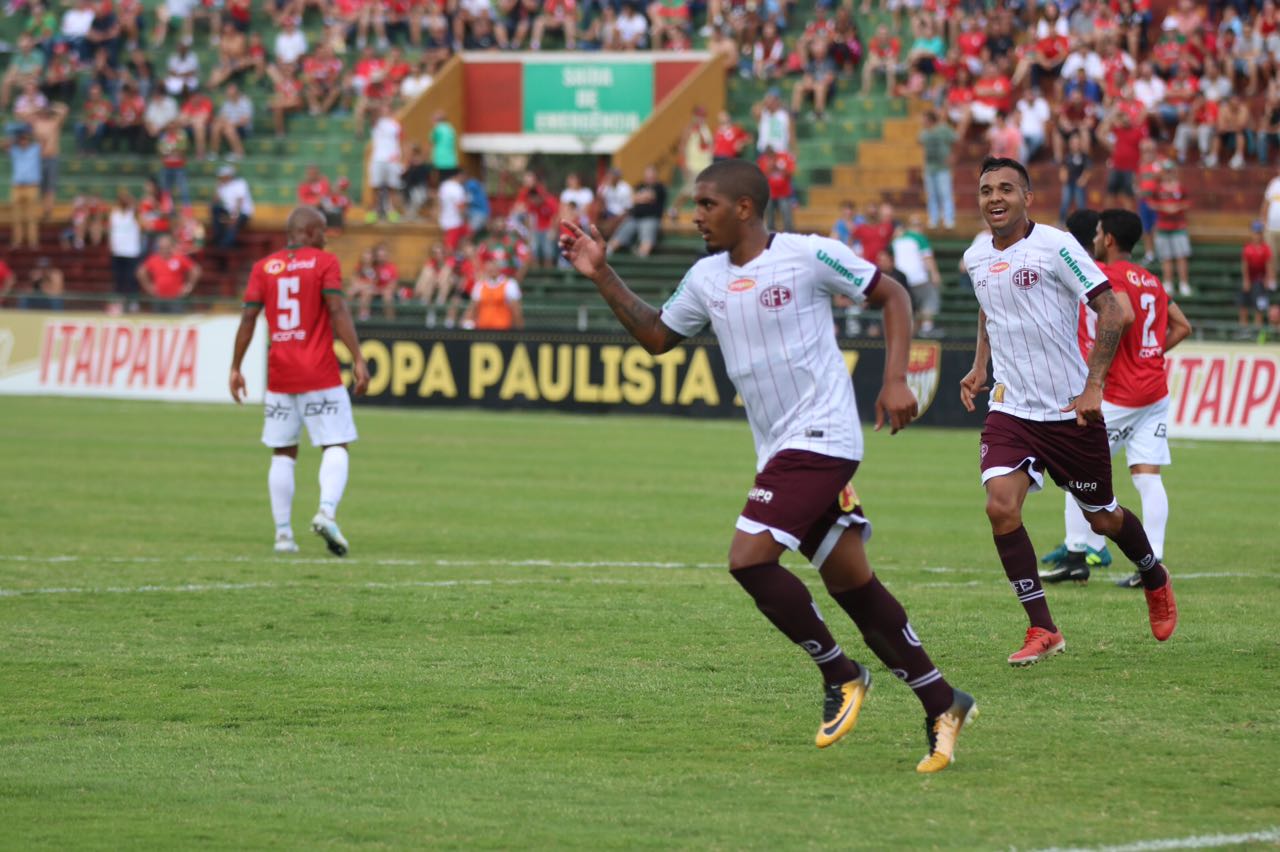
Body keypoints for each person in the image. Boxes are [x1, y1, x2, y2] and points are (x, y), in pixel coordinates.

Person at [559, 159, 978, 774]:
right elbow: (656, 335)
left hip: (825, 435)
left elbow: (891, 294)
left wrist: (895, 379)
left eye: (706, 205)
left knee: (748, 557)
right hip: (778, 447)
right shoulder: (705, 278)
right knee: (851, 583)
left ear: (744, 208)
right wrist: (602, 274)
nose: (695, 216)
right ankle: (943, 701)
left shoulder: (808, 255)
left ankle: (841, 672)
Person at [958, 157, 1179, 668]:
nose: (995, 197)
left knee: (1102, 519)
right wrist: (978, 366)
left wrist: (1093, 386)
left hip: (1068, 412)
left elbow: (1114, 310)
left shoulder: (1057, 245)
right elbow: (989, 309)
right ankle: (1043, 627)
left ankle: (1153, 574)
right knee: (1000, 506)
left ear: (1027, 197)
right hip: (1011, 409)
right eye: (987, 188)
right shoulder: (975, 256)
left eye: (1007, 189)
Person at [1040, 208, 1193, 588]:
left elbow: (1121, 315)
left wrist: (1100, 370)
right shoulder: (1150, 278)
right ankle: (1152, 561)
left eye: (1097, 232)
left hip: (1121, 395)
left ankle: (1078, 553)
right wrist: (1152, 353)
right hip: (1154, 392)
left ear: (1107, 238)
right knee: (1147, 476)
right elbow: (1182, 325)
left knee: (1075, 468)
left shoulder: (1110, 273)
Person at [230, 206, 370, 556]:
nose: (326, 237)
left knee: (283, 451)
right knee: (336, 443)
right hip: (319, 371)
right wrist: (358, 357)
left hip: (279, 374)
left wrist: (236, 366)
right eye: (322, 231)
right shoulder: (324, 263)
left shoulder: (264, 267)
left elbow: (249, 318)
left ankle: (282, 535)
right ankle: (326, 512)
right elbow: (337, 310)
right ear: (307, 232)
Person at [137, 233, 201, 313]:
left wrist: (189, 286)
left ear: (171, 246)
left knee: (176, 322)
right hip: (158, 297)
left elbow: (195, 270)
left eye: (166, 247)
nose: (164, 250)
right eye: (161, 248)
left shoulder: (179, 258)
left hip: (176, 298)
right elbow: (141, 271)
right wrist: (148, 287)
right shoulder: (154, 259)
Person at [3, 126, 42, 250]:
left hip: (31, 186)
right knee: (16, 217)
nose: (23, 141)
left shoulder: (35, 149)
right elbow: (4, 145)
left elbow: (44, 140)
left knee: (31, 216)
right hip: (17, 187)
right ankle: (17, 241)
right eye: (21, 139)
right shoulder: (15, 150)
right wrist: (13, 138)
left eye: (25, 139)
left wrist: (31, 132)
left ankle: (33, 242)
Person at [464, 252, 524, 330]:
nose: (492, 268)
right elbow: (472, 308)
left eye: (494, 264)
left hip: (503, 331)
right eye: (490, 264)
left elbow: (516, 311)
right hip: (483, 331)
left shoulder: (510, 284)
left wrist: (519, 332)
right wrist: (467, 323)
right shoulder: (480, 285)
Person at [918, 110, 955, 230]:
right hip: (930, 168)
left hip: (942, 168)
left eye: (924, 119)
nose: (922, 122)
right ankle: (934, 219)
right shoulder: (923, 134)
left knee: (945, 194)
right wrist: (923, 166)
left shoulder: (943, 129)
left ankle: (948, 219)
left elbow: (955, 140)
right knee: (931, 195)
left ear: (930, 120)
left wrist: (953, 156)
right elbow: (923, 150)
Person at [1240, 220, 1275, 334]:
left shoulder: (1266, 249)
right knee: (1243, 304)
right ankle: (1243, 330)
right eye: (1255, 232)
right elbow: (1245, 266)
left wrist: (1268, 279)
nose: (1257, 235)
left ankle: (1258, 330)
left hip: (1260, 281)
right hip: (1250, 280)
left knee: (1259, 307)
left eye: (1259, 233)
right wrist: (1246, 281)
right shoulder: (1248, 248)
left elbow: (1268, 265)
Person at [212, 164, 254, 248]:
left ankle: (226, 245)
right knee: (216, 210)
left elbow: (240, 202)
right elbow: (215, 201)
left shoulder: (240, 184)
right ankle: (218, 239)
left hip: (242, 213)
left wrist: (234, 216)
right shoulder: (222, 186)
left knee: (233, 223)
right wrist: (218, 187)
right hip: (229, 212)